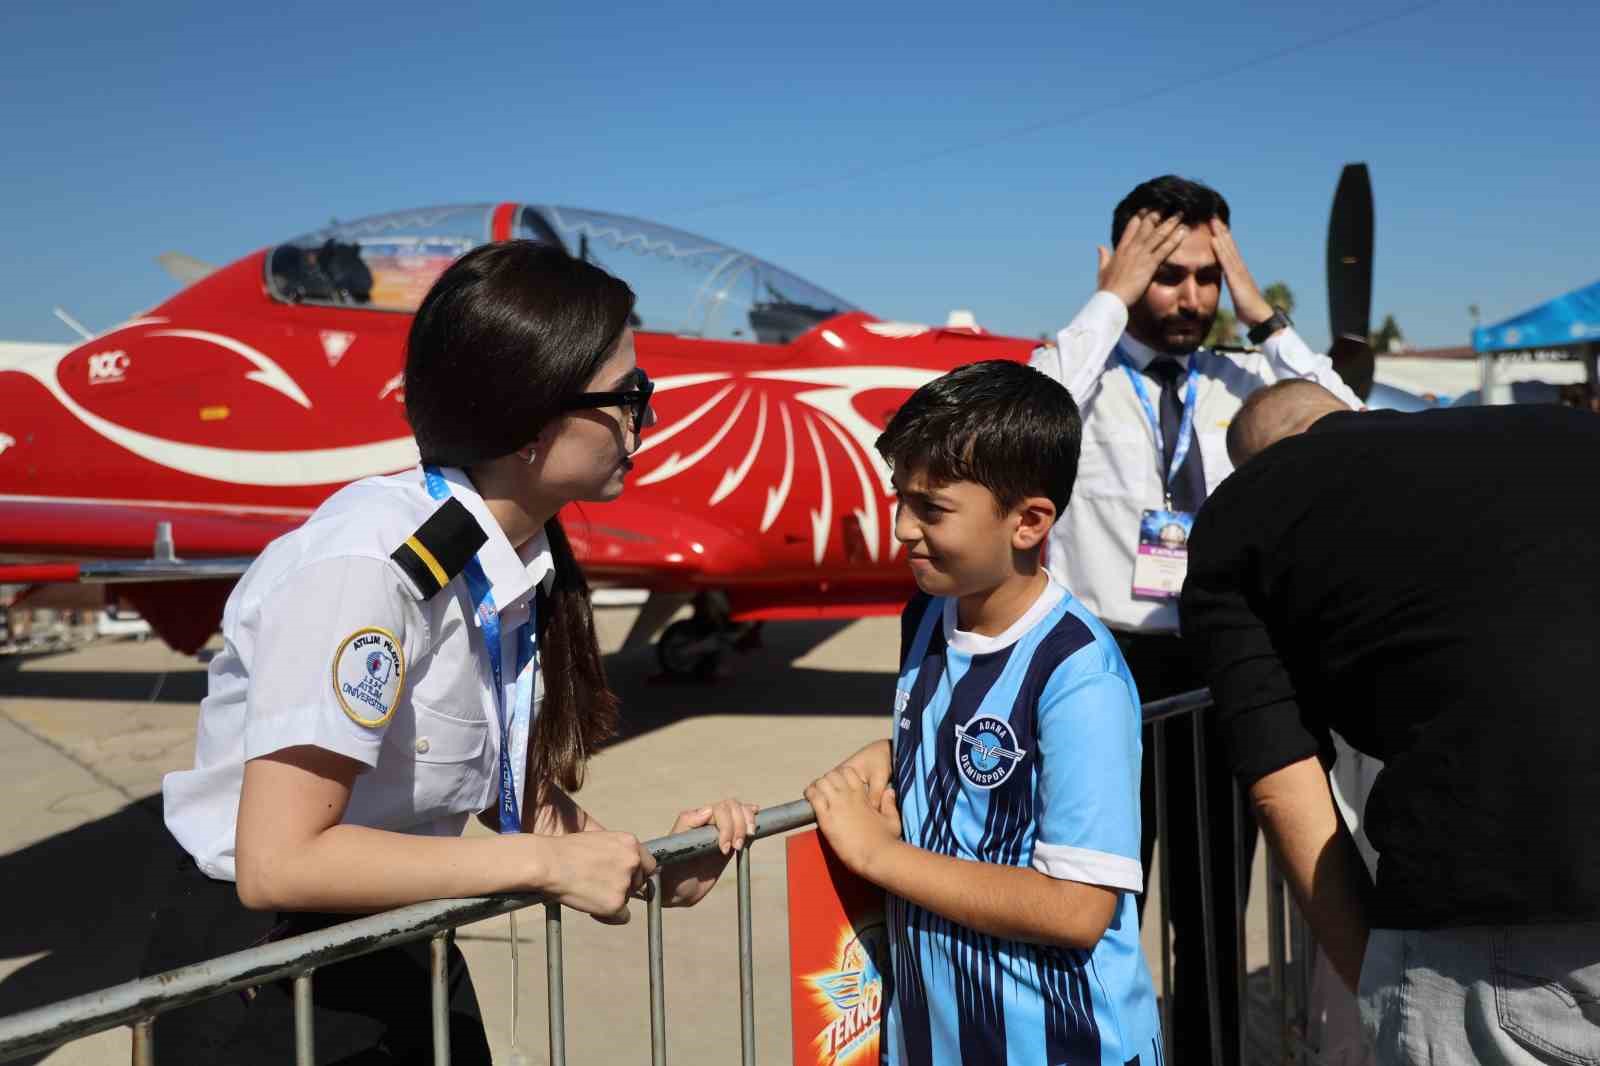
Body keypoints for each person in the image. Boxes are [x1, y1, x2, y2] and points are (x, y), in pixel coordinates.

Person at [147, 240, 756, 1064]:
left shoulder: (504, 563)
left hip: (397, 933)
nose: (642, 416)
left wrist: (655, 867)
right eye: (627, 393)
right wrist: (545, 865)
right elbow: (279, 861)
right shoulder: (369, 570)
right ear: (532, 419)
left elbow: (507, 793)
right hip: (268, 976)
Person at [1029, 174, 1363, 1061]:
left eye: (1205, 277)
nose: (1189, 298)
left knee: (1213, 911)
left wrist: (1261, 309)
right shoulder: (1077, 380)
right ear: (1125, 268)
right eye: (1166, 274)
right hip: (1102, 674)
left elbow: (1356, 430)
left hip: (1223, 674)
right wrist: (1106, 301)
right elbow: (1013, 427)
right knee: (1097, 906)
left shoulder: (1241, 378)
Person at [1181, 381, 1600, 1065]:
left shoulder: (1244, 515)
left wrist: (1374, 974)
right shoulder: (1565, 432)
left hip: (1493, 928)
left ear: (1258, 464)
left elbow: (1281, 782)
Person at [805, 360, 1161, 1064]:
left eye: (931, 509)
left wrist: (879, 856)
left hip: (1060, 1043)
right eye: (898, 499)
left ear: (1028, 522)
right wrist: (886, 757)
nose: (903, 528)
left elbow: (1077, 908)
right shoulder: (928, 614)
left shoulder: (1078, 673)